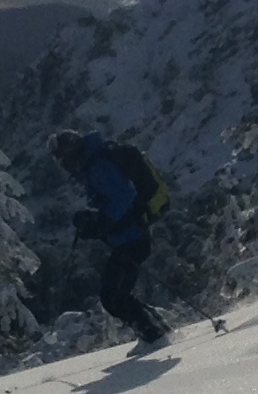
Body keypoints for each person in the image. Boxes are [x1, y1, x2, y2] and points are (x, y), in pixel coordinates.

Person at [50, 127, 170, 350]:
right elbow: (115, 201)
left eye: (62, 161)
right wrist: (95, 222)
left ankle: (154, 337)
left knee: (112, 297)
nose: (65, 167)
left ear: (70, 155)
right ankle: (156, 331)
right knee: (118, 294)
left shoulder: (96, 167)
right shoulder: (97, 161)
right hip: (132, 236)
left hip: (132, 238)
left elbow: (124, 197)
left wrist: (99, 222)